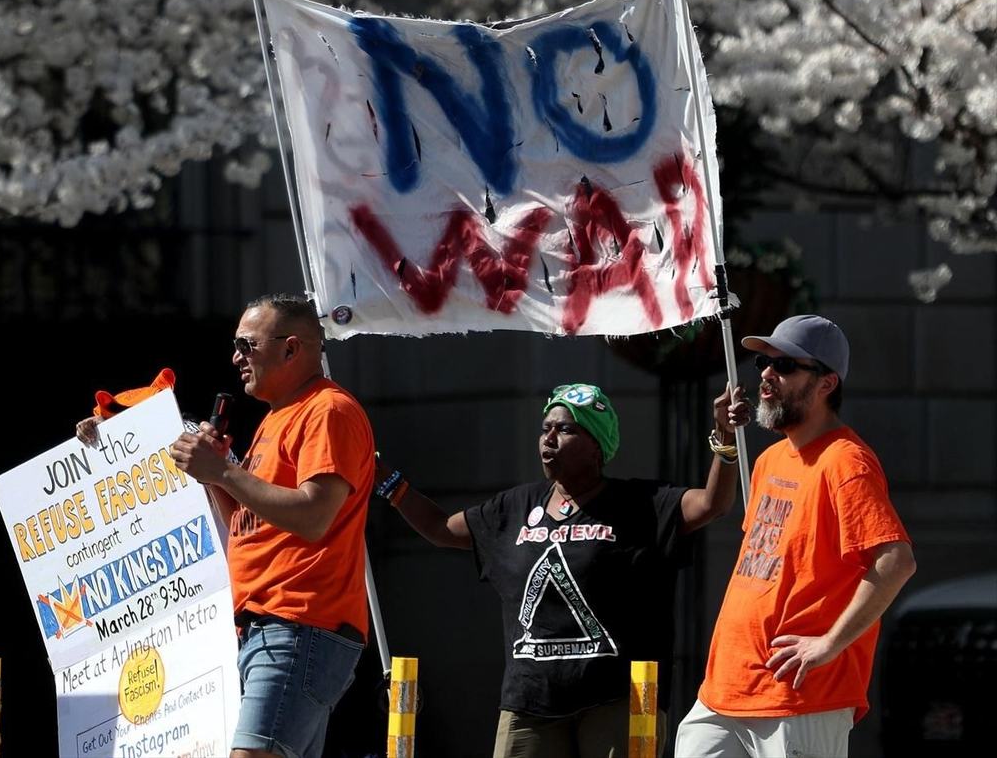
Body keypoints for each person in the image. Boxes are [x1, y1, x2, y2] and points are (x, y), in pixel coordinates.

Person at [376, 380, 749, 758]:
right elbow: (442, 529)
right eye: (545, 428)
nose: (548, 438)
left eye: (565, 429)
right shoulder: (514, 507)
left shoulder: (640, 504)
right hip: (529, 702)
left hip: (619, 700)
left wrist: (726, 438)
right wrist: (389, 483)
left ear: (596, 447)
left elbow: (711, 505)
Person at [675, 315, 915, 758]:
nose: (767, 374)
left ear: (826, 384)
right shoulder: (769, 458)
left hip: (800, 697)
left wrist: (829, 644)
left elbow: (895, 562)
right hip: (725, 688)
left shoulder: (847, 462)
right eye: (765, 363)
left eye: (785, 365)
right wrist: (725, 439)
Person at [170, 293, 375, 758]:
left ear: (291, 349)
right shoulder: (277, 418)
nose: (235, 357)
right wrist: (214, 476)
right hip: (274, 629)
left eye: (247, 344)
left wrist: (224, 471)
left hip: (298, 625)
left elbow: (314, 516)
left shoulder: (326, 411)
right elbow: (247, 528)